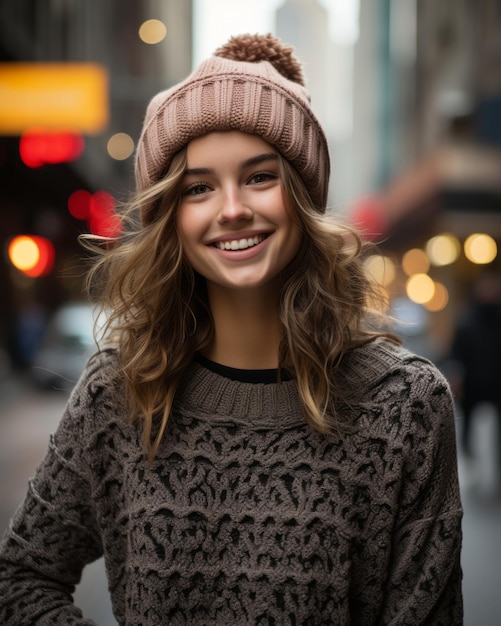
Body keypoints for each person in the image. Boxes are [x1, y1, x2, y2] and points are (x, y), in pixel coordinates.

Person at [0, 33, 463, 625]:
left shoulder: (406, 409)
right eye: (198, 187)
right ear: (171, 216)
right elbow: (21, 577)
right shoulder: (118, 391)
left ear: (301, 196)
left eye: (260, 177)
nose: (232, 208)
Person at [448, 270, 501, 463]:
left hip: (497, 382)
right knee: (467, 424)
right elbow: (456, 353)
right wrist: (456, 376)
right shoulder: (467, 321)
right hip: (473, 382)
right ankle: (470, 460)